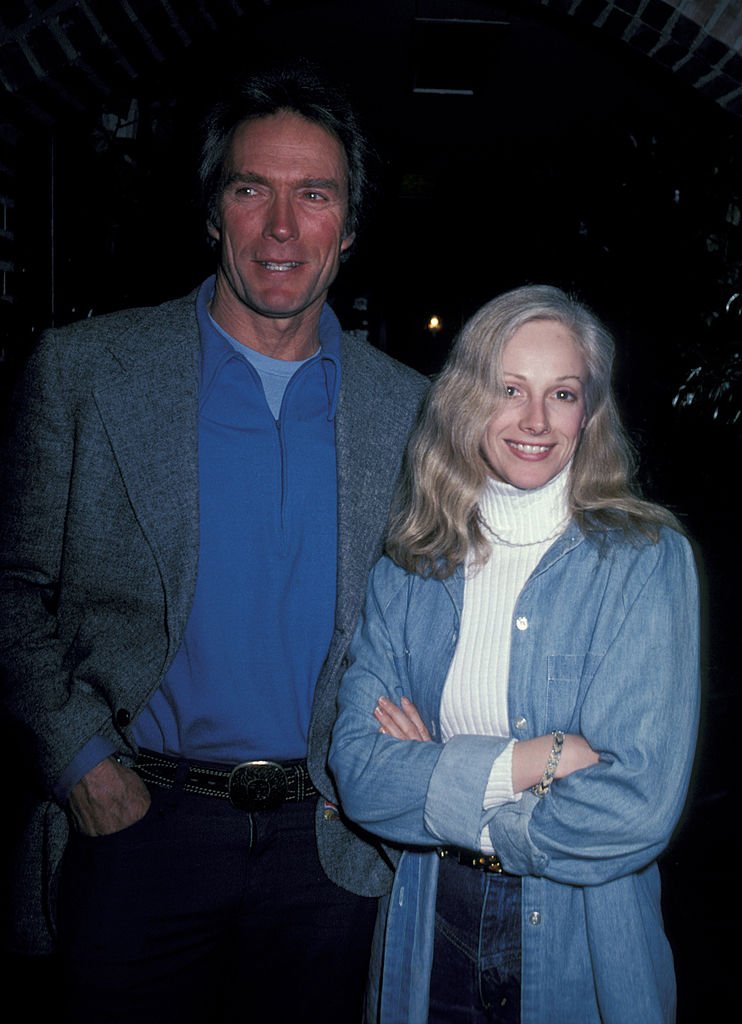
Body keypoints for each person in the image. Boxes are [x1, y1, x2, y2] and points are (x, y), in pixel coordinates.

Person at [0, 63, 428, 1023]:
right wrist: (80, 765)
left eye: (313, 195)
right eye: (251, 190)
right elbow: (11, 590)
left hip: (330, 842)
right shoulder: (88, 374)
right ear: (212, 212)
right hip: (138, 830)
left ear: (349, 227)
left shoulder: (413, 410)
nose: (281, 228)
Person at [329, 284, 700, 1024]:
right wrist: (543, 757)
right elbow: (361, 774)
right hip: (429, 915)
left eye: (561, 393)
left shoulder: (643, 560)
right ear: (467, 401)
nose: (535, 420)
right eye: (509, 389)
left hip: (582, 930)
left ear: (588, 412)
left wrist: (446, 781)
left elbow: (637, 805)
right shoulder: (411, 562)